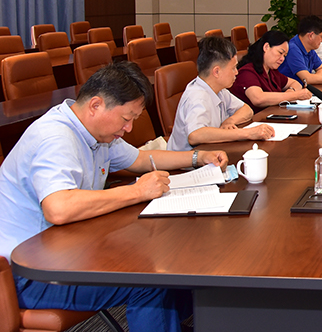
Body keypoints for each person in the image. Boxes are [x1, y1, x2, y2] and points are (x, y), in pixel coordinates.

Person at [0, 62, 229, 332]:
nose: (129, 128)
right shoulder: (55, 137)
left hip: (66, 251)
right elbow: (58, 208)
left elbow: (141, 159)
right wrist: (137, 191)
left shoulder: (96, 132)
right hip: (29, 275)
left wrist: (197, 157)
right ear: (96, 105)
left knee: (173, 256)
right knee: (148, 281)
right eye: (126, 119)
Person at [168, 36, 274, 151]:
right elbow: (195, 135)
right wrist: (247, 133)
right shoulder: (197, 96)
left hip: (211, 152)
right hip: (188, 160)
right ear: (216, 71)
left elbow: (246, 110)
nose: (236, 72)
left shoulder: (220, 90)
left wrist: (230, 121)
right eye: (233, 68)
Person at [231, 30, 312, 112]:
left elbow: (296, 83)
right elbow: (258, 99)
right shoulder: (247, 72)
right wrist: (294, 95)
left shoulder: (271, 71)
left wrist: (291, 91)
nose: (282, 59)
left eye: (284, 56)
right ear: (266, 47)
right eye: (280, 53)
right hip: (254, 118)